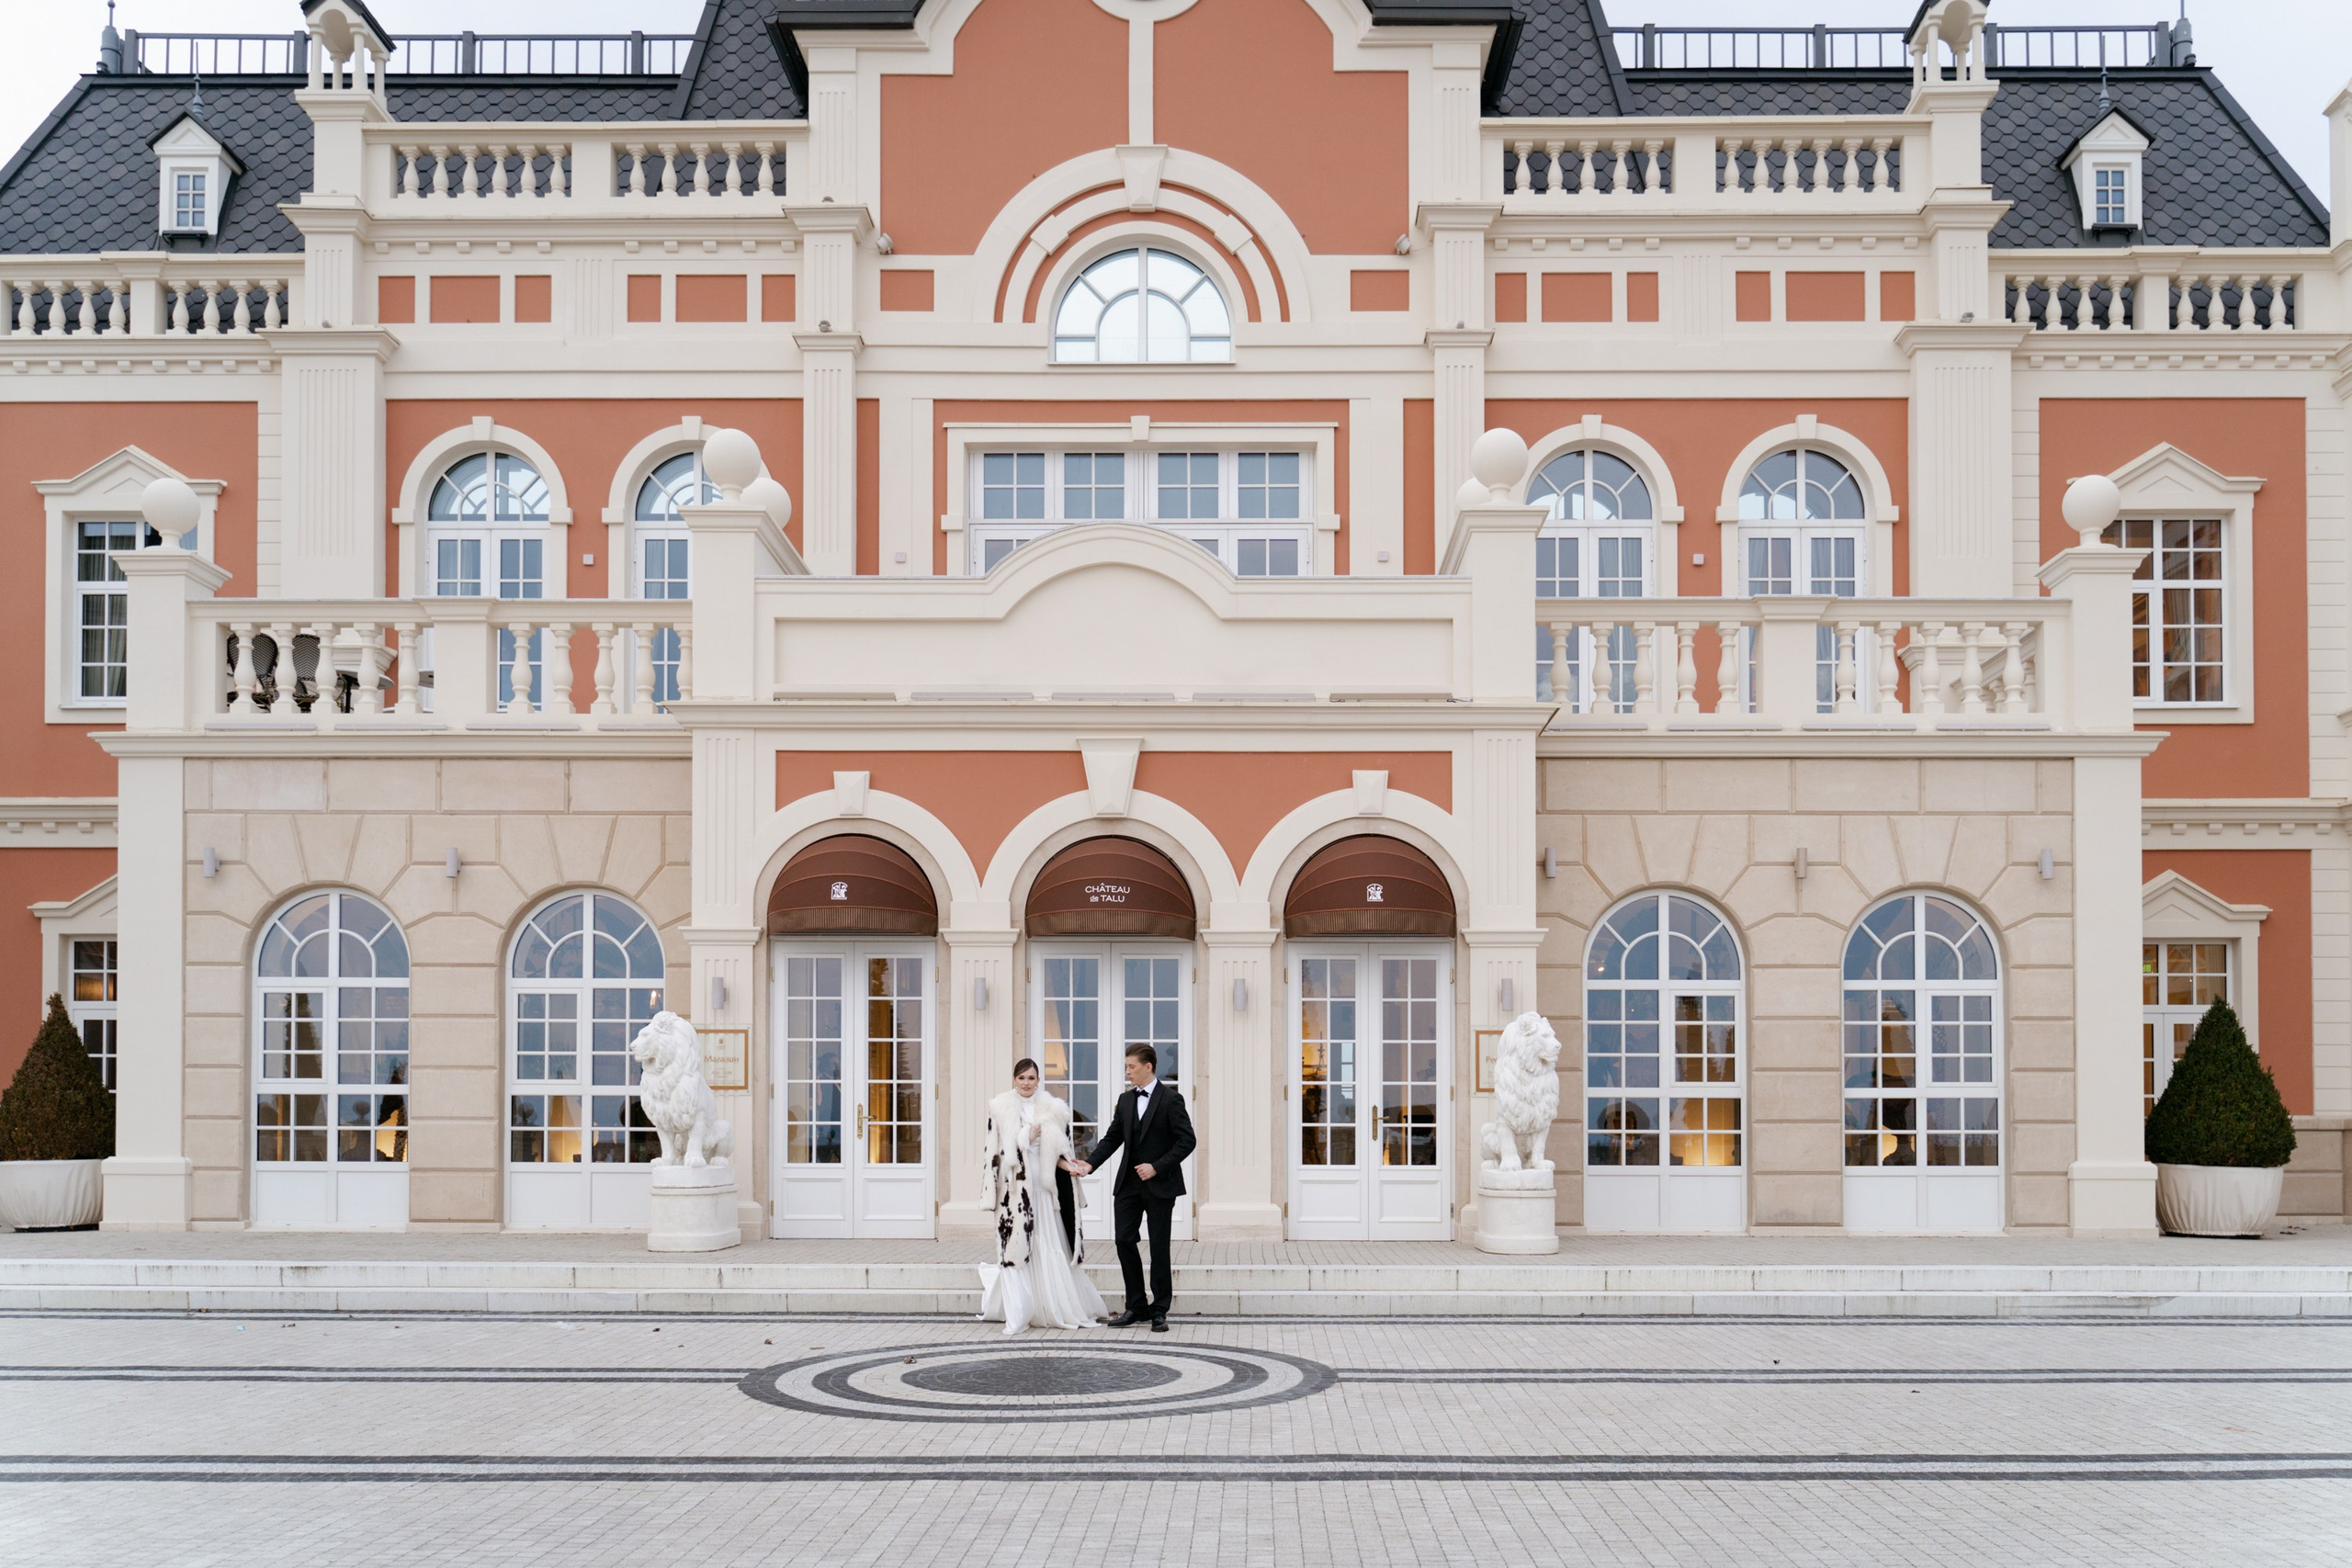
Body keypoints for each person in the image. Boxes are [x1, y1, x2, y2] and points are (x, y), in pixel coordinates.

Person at [977, 1058, 1105, 1335]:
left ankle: (1052, 1305)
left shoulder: (1053, 1110)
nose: (1026, 1083)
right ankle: (1021, 1309)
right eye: (1021, 1078)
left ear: (1038, 1081)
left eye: (1031, 1078)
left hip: (1045, 1192)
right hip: (1015, 1193)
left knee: (1049, 1242)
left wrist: (1070, 1165)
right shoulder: (999, 1107)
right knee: (1018, 1247)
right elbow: (995, 1154)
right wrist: (1025, 1135)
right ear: (1014, 1080)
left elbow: (1058, 1153)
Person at [1073, 1043, 1194, 1332]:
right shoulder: (1126, 1101)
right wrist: (1090, 1164)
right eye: (1126, 1067)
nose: (1127, 1072)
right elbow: (1112, 1138)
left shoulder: (1171, 1099)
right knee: (1124, 1240)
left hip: (1160, 1185)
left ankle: (1159, 1309)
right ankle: (1136, 1306)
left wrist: (1157, 1166)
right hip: (1128, 1184)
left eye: (1131, 1066)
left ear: (1148, 1067)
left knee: (1159, 1246)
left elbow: (1187, 1141)